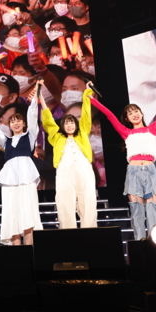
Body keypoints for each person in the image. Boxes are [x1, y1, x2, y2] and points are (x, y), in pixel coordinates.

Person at [89, 82, 156, 240]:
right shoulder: (126, 132)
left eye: (136, 111)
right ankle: (140, 244)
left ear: (142, 114)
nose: (134, 114)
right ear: (127, 119)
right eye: (130, 113)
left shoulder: (153, 129)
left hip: (151, 172)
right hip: (133, 173)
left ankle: (155, 242)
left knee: (153, 210)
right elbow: (109, 115)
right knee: (137, 212)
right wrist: (92, 99)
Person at [0, 81, 43, 245]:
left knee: (29, 211)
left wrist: (36, 94)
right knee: (11, 212)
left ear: (24, 124)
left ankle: (29, 250)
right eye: (12, 121)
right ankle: (17, 251)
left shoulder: (30, 136)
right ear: (10, 126)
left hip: (27, 177)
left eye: (18, 120)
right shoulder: (5, 141)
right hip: (9, 180)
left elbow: (33, 115)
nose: (16, 122)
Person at [40, 84, 97, 229]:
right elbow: (48, 120)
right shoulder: (57, 137)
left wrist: (87, 92)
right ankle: (68, 231)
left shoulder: (82, 133)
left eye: (72, 122)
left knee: (88, 200)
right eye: (66, 122)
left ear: (77, 125)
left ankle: (90, 231)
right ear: (62, 125)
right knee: (65, 202)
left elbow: (86, 114)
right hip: (65, 172)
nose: (70, 125)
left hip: (84, 170)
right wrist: (40, 96)